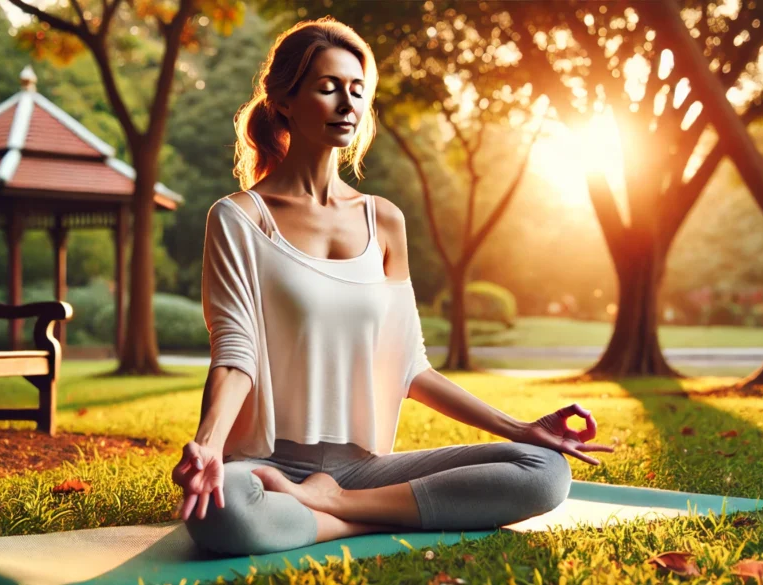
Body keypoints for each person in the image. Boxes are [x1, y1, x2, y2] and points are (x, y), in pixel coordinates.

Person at [170, 16, 615, 558]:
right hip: (268, 467)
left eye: (358, 91)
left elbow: (410, 365)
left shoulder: (383, 221)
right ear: (285, 101)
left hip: (362, 468)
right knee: (224, 509)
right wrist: (210, 447)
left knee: (544, 471)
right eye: (328, 87)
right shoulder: (240, 219)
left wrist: (520, 428)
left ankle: (334, 507)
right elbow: (236, 352)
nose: (347, 104)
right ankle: (358, 514)